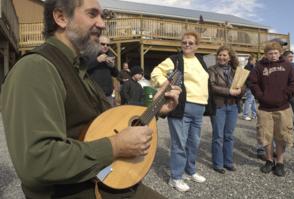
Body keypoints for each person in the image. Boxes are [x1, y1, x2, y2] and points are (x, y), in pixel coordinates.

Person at [1, 0, 181, 198]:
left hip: (107, 183)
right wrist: (115, 146)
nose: (102, 24)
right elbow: (36, 162)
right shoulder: (36, 68)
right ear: (61, 18)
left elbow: (106, 125)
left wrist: (155, 110)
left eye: (102, 16)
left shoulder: (78, 69)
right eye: (92, 14)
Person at [151, 31, 208, 192]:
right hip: (181, 106)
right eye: (184, 42)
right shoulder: (175, 59)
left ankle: (189, 171)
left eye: (190, 42)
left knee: (194, 143)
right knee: (179, 143)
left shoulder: (201, 61)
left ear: (197, 45)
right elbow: (155, 72)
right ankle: (175, 177)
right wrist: (169, 86)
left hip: (199, 107)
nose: (187, 45)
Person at [249, 42, 294, 177]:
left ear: (280, 52)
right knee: (266, 136)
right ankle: (269, 160)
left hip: (283, 107)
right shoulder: (259, 66)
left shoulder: (288, 66)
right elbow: (253, 83)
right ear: (266, 54)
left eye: (276, 52)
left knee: (282, 136)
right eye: (270, 53)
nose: (273, 55)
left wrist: (286, 95)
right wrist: (260, 96)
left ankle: (280, 162)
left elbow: (293, 82)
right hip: (264, 108)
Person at [208, 46, 244, 174]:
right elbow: (212, 87)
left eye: (224, 55)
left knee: (229, 136)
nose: (221, 57)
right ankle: (218, 163)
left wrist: (240, 91)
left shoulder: (236, 70)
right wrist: (229, 91)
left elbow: (242, 86)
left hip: (233, 106)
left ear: (230, 57)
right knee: (218, 136)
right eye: (220, 55)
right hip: (219, 106)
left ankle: (228, 162)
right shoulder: (212, 70)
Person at [87, 35, 119, 106]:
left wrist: (113, 67)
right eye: (103, 44)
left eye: (108, 45)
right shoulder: (90, 53)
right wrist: (97, 60)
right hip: (94, 95)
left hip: (108, 95)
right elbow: (83, 68)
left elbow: (116, 74)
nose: (105, 46)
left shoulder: (110, 55)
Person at [282, 50, 294, 140]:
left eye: (292, 57)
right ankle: (285, 131)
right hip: (282, 94)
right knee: (282, 114)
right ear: (284, 57)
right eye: (290, 57)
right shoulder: (279, 66)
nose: (291, 58)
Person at [243, 55, 257, 121]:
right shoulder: (248, 67)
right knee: (249, 100)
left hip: (252, 86)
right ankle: (245, 115)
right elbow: (248, 77)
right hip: (250, 86)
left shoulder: (251, 67)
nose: (255, 62)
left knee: (253, 101)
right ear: (251, 60)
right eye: (254, 60)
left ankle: (254, 114)